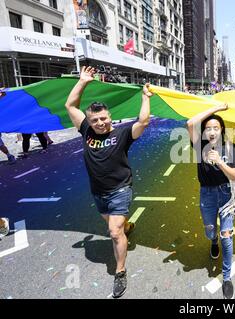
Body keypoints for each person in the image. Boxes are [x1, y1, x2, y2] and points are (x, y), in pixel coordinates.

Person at [64, 66, 153, 298]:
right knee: (118, 227)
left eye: (103, 118)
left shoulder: (122, 134)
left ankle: (120, 271)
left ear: (110, 116)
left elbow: (142, 122)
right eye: (95, 120)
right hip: (98, 192)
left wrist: (145, 98)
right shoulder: (86, 131)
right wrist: (82, 81)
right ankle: (126, 226)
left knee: (113, 232)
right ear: (89, 121)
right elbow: (70, 106)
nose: (100, 123)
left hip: (120, 190)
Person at [187, 103, 235, 299]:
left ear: (222, 130)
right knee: (210, 229)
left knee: (227, 235)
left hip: (226, 194)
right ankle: (213, 241)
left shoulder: (230, 147)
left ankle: (227, 278)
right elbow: (191, 122)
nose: (211, 131)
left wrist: (220, 162)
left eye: (215, 128)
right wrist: (216, 109)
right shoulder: (199, 145)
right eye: (208, 128)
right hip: (207, 194)